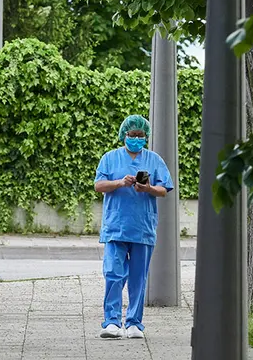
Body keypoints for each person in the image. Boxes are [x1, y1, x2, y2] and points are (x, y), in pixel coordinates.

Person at [94, 114, 174, 339]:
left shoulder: (154, 160)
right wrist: (120, 182)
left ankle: (134, 323)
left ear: (146, 136)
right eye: (132, 134)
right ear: (124, 135)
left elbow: (164, 189)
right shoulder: (110, 158)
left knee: (138, 277)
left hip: (142, 227)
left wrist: (148, 188)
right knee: (113, 273)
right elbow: (99, 185)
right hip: (116, 226)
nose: (136, 138)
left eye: (140, 135)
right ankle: (112, 322)